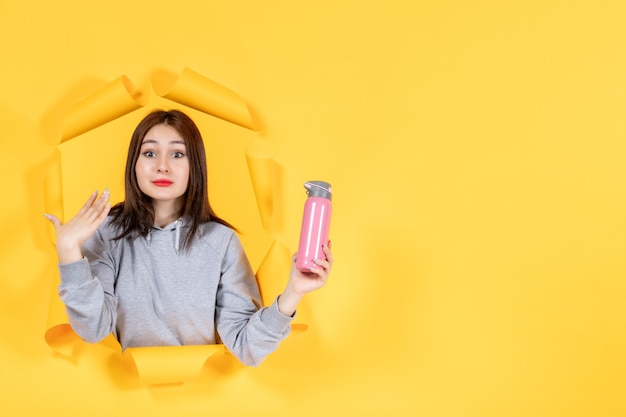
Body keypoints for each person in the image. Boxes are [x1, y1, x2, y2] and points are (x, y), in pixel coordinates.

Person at [44, 109, 333, 366]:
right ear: (134, 163)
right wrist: (69, 252)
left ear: (195, 166)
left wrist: (293, 293)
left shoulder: (221, 242)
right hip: (129, 399)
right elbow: (93, 327)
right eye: (149, 153)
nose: (162, 166)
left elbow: (247, 347)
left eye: (177, 154)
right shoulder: (108, 234)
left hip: (198, 402)